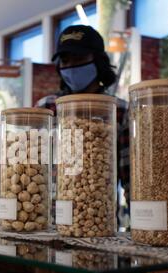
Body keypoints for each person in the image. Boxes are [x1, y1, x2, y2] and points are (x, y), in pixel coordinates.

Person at [36, 24, 130, 211]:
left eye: (79, 58)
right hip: (47, 223)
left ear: (98, 61)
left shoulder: (119, 110)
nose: (71, 67)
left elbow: (131, 176)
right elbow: (33, 170)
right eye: (65, 61)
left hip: (98, 219)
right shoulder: (46, 107)